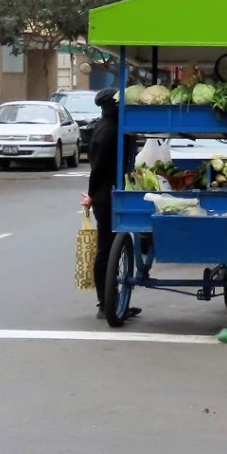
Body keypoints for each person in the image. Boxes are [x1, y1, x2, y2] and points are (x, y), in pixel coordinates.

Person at [82, 88, 140, 320]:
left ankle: (110, 301)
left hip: (106, 194)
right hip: (106, 196)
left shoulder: (107, 126)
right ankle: (105, 303)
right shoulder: (110, 132)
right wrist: (92, 194)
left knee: (108, 247)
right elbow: (97, 169)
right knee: (106, 249)